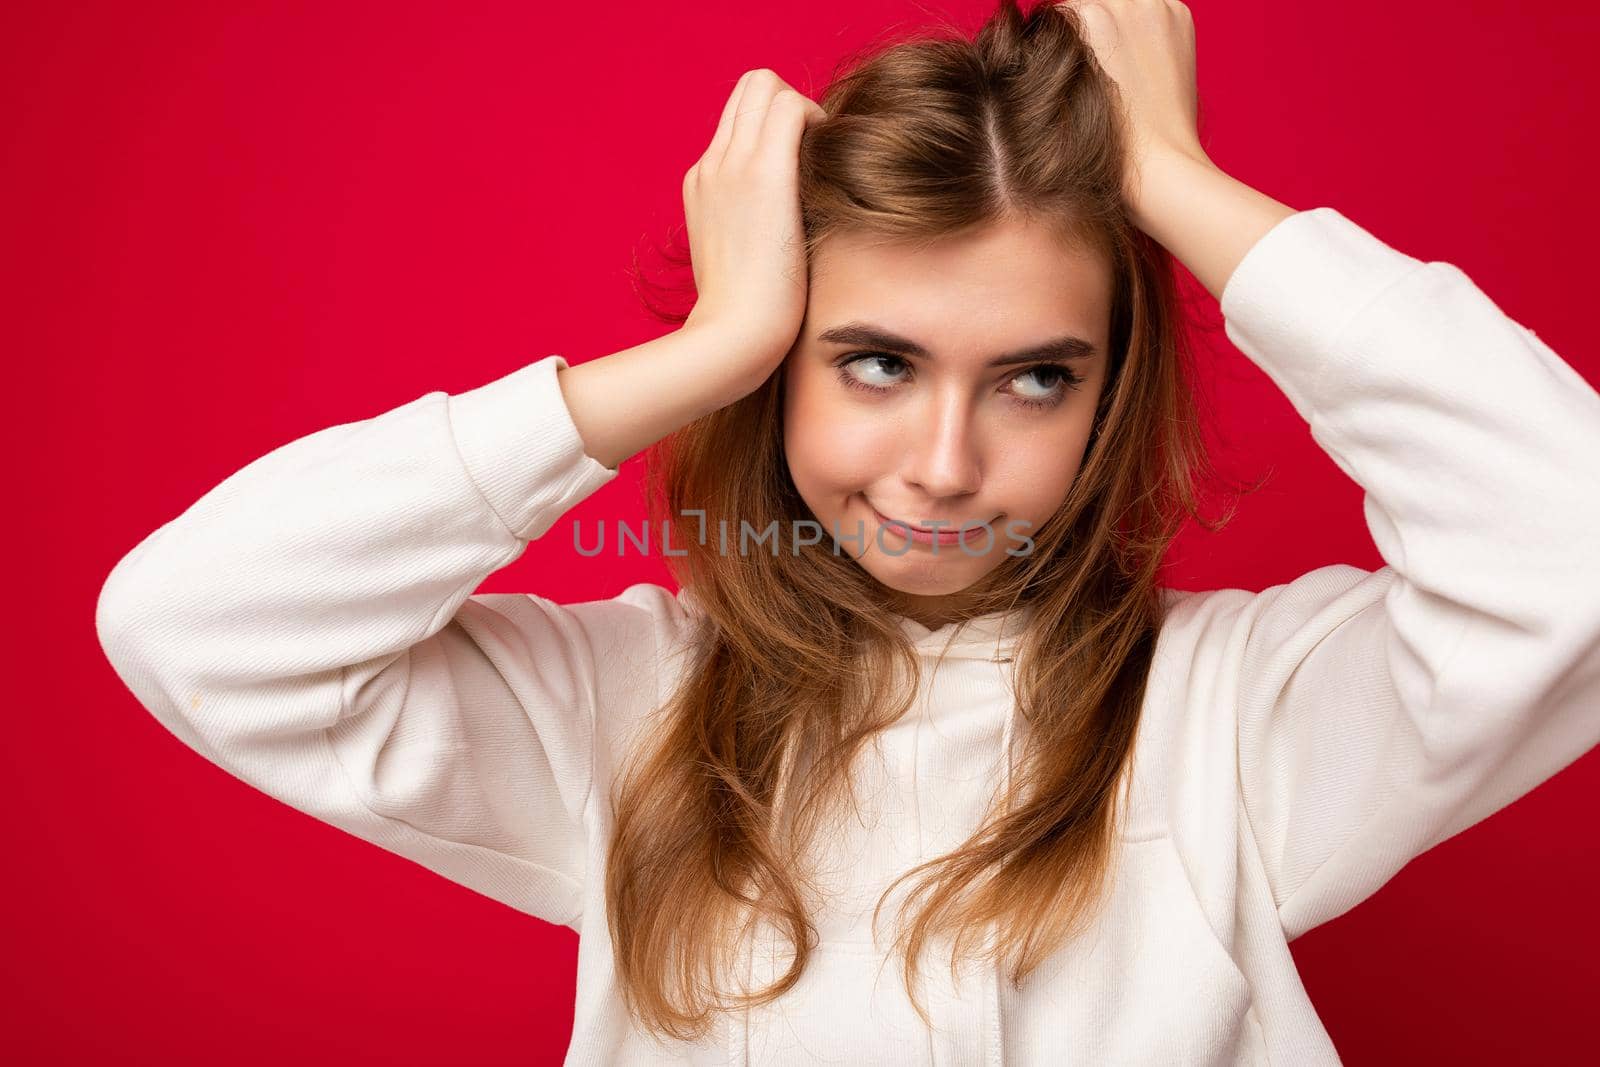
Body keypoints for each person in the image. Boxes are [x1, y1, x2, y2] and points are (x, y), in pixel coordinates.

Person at [94, 1, 1600, 1063]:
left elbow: (1571, 546)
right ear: (781, 369)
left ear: (1109, 395)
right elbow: (197, 622)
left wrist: (1183, 190)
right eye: (874, 362)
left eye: (1034, 377)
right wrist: (704, 352)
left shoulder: (1246, 719)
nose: (943, 466)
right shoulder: (621, 721)